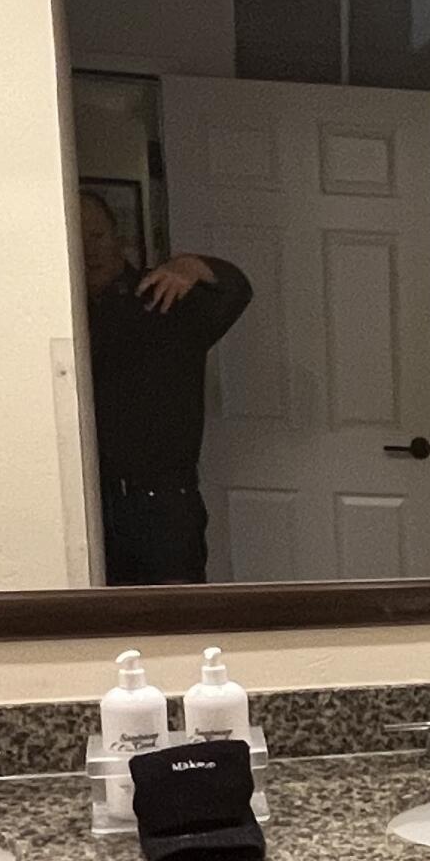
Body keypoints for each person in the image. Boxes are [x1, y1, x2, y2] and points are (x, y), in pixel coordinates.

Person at [77, 189, 254, 585]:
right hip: (89, 502)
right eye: (79, 238)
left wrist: (192, 266)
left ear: (117, 237)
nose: (90, 251)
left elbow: (237, 289)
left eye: (98, 236)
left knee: (180, 623)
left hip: (164, 504)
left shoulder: (163, 296)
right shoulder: (61, 315)